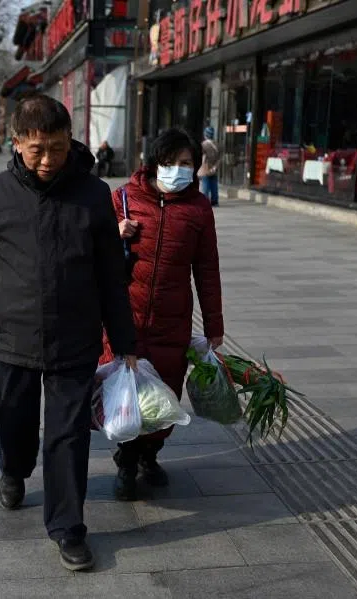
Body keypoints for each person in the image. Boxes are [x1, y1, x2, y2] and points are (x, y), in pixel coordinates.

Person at [0, 94, 138, 572]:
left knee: (68, 437)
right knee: (12, 425)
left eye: (57, 147)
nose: (49, 159)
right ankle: (14, 469)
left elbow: (112, 277)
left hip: (75, 340)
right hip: (12, 341)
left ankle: (69, 527)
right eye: (37, 150)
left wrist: (125, 345)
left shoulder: (94, 195)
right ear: (16, 144)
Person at [101, 127, 224, 501]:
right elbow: (90, 252)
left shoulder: (198, 209)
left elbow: (207, 268)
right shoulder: (122, 198)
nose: (178, 170)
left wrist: (215, 324)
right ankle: (126, 461)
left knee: (164, 397)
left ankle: (150, 455)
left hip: (173, 319)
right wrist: (113, 233)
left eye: (186, 163)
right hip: (126, 318)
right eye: (170, 163)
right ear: (154, 163)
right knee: (127, 397)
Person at [198, 126, 221, 206]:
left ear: (205, 135)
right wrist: (215, 167)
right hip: (214, 168)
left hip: (206, 168)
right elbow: (219, 158)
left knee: (205, 186)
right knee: (214, 186)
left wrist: (201, 167)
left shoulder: (203, 145)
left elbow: (203, 158)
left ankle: (205, 202)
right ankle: (215, 201)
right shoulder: (217, 144)